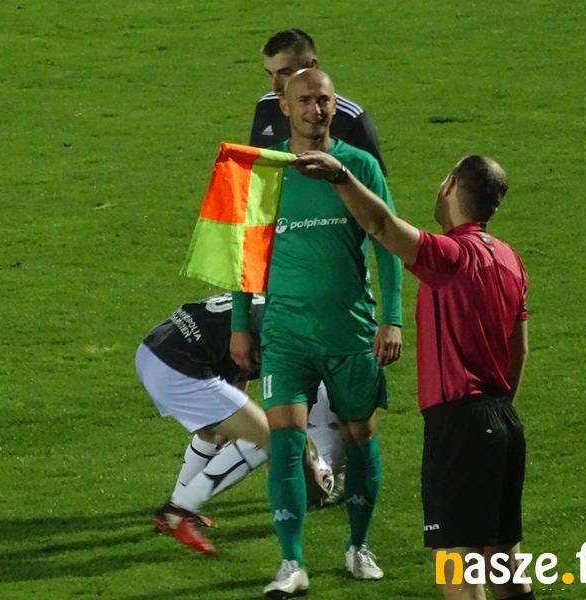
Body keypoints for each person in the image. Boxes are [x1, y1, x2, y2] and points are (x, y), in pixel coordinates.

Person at [293, 152, 532, 599]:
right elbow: (519, 348)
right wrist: (497, 408)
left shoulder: (452, 255)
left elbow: (382, 225)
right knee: (503, 563)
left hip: (459, 426)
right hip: (503, 421)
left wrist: (341, 176)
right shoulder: (510, 259)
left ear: (451, 186)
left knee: (457, 567)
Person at [230, 69, 404, 598]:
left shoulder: (359, 167)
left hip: (350, 328)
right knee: (285, 441)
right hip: (286, 331)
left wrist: (392, 317)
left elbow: (387, 241)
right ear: (283, 106)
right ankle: (291, 562)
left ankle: (359, 546)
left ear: (334, 105)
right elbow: (246, 254)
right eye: (304, 100)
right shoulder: (267, 172)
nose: (315, 109)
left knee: (360, 437)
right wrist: (240, 326)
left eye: (324, 100)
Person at [137, 294, 333, 556]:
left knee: (216, 433)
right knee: (275, 436)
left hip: (153, 350)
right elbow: (289, 426)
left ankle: (176, 508)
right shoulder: (292, 335)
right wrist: (311, 481)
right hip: (177, 367)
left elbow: (237, 367)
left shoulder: (276, 305)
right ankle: (178, 511)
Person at [250, 28, 388, 177]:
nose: (275, 86)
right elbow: (255, 170)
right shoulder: (266, 106)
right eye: (270, 74)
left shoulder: (351, 118)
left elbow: (371, 181)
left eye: (285, 73)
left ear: (312, 66)